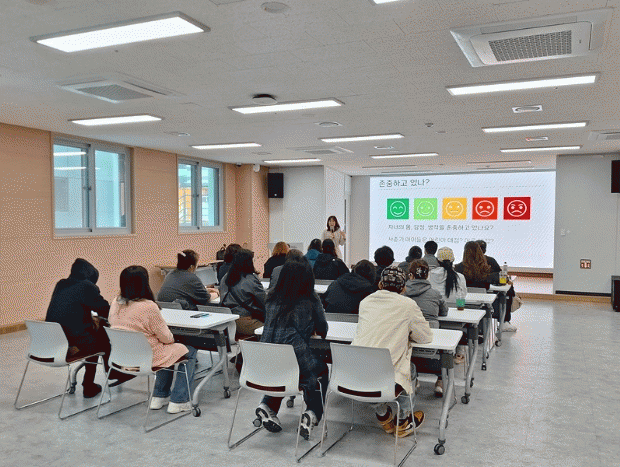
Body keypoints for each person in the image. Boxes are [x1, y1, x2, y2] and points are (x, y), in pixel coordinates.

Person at [353, 266, 432, 437]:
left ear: (380, 284)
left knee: (378, 368)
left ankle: (383, 414)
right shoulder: (408, 305)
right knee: (408, 369)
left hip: (355, 374)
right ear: (403, 288)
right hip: (385, 378)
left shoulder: (365, 302)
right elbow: (425, 337)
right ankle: (403, 421)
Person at [108, 266, 197, 414]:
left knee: (166, 351)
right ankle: (179, 400)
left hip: (122, 358)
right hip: (148, 358)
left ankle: (159, 396)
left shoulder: (115, 303)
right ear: (144, 283)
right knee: (188, 350)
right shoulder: (148, 306)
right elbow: (167, 338)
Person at [255, 260, 329, 440]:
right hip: (293, 356)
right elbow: (323, 329)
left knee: (286, 370)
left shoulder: (271, 298)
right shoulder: (309, 300)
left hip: (266, 359)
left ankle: (267, 405)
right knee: (319, 371)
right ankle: (312, 413)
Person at [45, 258, 128, 398]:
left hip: (51, 344)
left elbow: (69, 312)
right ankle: (101, 378)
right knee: (102, 333)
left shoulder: (61, 284)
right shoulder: (86, 286)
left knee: (94, 333)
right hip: (71, 346)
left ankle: (98, 379)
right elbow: (105, 311)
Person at [404, 259, 448, 397]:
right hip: (430, 347)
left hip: (407, 348)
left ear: (410, 275)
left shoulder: (402, 293)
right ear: (427, 275)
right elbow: (444, 312)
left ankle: (414, 378)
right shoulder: (435, 294)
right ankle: (440, 381)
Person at [455, 241, 517, 332]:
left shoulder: (458, 268)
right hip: (482, 302)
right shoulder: (485, 268)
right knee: (504, 295)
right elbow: (499, 277)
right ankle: (504, 322)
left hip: (463, 302)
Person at [219, 249, 267, 338]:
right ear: (249, 262)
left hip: (226, 322)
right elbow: (264, 302)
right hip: (245, 322)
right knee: (273, 329)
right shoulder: (250, 279)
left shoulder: (225, 278)